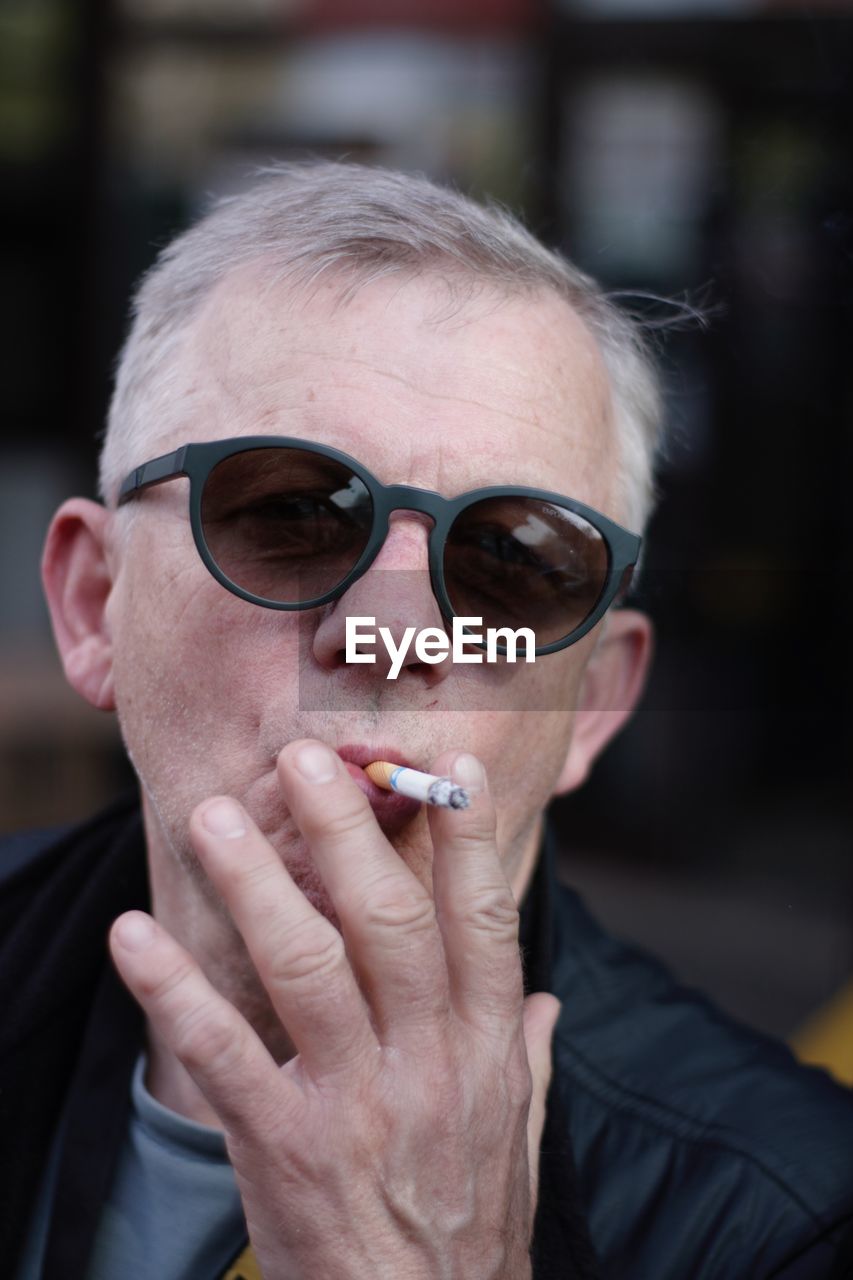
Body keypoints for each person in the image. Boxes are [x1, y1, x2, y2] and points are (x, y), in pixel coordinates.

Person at [3, 160, 853, 1280]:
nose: (388, 636)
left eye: (511, 560)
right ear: (94, 604)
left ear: (592, 701)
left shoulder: (789, 1220)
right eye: (292, 513)